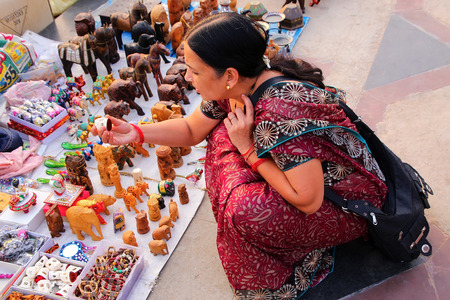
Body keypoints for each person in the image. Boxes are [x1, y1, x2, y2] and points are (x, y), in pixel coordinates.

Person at [92, 12, 387, 299]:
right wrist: (136, 133)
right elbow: (191, 128)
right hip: (308, 179)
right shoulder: (242, 84)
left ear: (229, 75)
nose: (189, 78)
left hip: (348, 204)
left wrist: (247, 150)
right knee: (222, 133)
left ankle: (280, 269)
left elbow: (308, 201)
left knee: (243, 208)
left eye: (195, 71)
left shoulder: (279, 114)